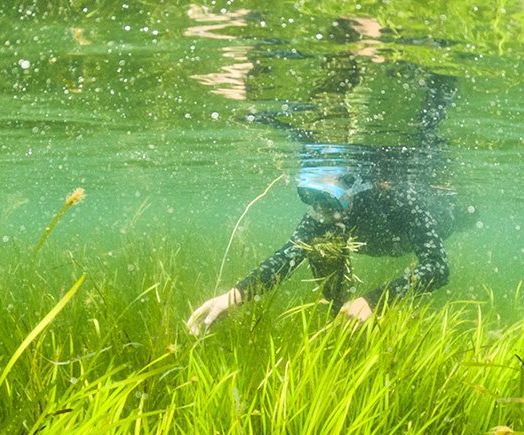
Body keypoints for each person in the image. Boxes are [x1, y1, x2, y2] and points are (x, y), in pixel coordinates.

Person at [185, 18, 462, 336]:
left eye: (329, 198)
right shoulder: (323, 209)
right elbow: (287, 256)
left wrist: (375, 300)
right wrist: (234, 296)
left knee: (463, 215)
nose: (324, 209)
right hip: (381, 241)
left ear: (353, 189)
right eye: (316, 198)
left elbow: (437, 268)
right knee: (322, 259)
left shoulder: (398, 196)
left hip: (444, 219)